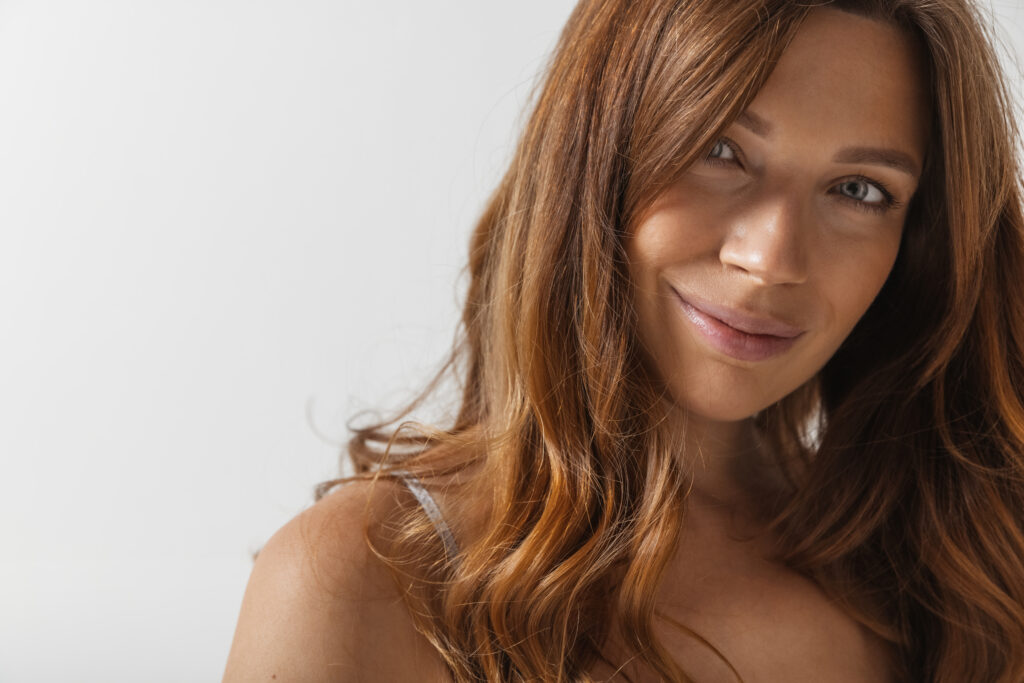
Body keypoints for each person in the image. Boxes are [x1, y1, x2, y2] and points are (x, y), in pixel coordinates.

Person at [222, 0, 1024, 680]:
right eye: (721, 149)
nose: (770, 258)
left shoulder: (955, 593)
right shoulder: (361, 582)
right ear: (594, 157)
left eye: (859, 190)